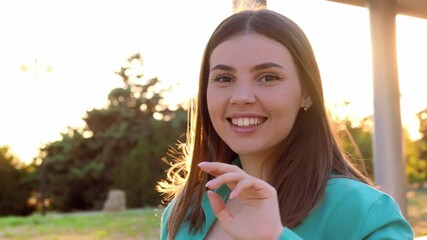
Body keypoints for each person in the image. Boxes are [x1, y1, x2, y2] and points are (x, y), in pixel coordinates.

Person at [157, 8, 414, 240]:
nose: (242, 97)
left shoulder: (365, 212)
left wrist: (275, 237)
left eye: (268, 77)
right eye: (224, 78)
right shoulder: (183, 212)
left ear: (306, 93)